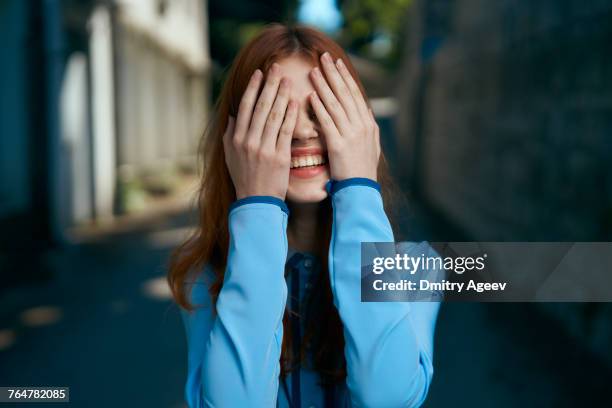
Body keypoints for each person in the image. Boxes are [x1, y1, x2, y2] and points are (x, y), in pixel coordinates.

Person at [167, 23, 440, 408]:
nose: (301, 131)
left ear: (360, 126)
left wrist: (359, 188)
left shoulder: (416, 266)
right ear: (237, 139)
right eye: (276, 113)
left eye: (324, 110)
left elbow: (388, 399)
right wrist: (257, 204)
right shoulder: (205, 275)